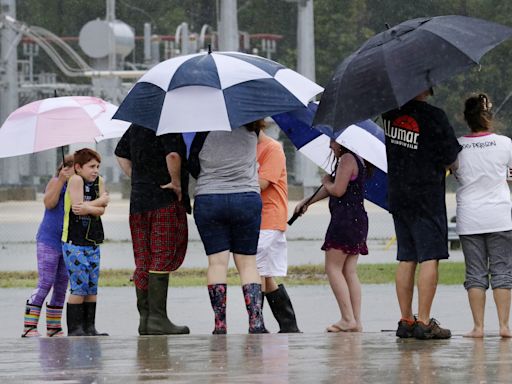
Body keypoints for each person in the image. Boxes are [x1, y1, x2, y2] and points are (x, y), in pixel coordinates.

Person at [382, 88, 461, 340]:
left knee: (406, 257)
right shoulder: (434, 116)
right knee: (429, 257)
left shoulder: (389, 115)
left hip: (398, 193)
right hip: (426, 195)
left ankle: (405, 319)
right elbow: (451, 158)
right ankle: (424, 322)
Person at [190, 121, 267, 334]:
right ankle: (256, 322)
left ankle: (220, 324)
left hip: (209, 198)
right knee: (248, 264)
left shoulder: (204, 128)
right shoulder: (253, 127)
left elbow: (193, 164)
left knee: (217, 263)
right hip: (246, 198)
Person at [115, 124, 190, 335]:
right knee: (161, 254)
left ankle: (145, 320)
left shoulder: (136, 125)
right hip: (162, 200)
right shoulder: (167, 124)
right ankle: (158, 318)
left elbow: (120, 154)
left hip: (138, 200)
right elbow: (173, 155)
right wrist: (175, 182)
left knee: (142, 257)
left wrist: (138, 177)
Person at [294, 140, 369, 332]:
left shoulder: (346, 159)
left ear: (342, 141)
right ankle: (356, 320)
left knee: (333, 268)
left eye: (332, 142)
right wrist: (307, 202)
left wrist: (326, 181)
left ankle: (347, 318)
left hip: (344, 220)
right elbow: (335, 189)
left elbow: (337, 190)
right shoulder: (357, 159)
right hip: (357, 220)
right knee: (349, 270)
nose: (330, 146)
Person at [453, 93, 512, 338]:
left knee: (475, 273)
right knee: (502, 271)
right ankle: (504, 327)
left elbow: (456, 175)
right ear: (489, 116)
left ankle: (478, 327)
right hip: (500, 215)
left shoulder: (457, 146)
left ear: (466, 118)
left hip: (470, 217)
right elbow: (510, 176)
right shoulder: (505, 144)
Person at [21, 155, 74, 338]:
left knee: (61, 285)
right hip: (48, 240)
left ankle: (53, 327)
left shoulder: (78, 187)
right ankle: (29, 326)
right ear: (66, 168)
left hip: (67, 242)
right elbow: (49, 203)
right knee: (46, 281)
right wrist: (61, 180)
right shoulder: (55, 181)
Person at [256, 123, 300, 333]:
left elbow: (261, 183)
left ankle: (258, 324)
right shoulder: (247, 149)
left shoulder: (272, 148)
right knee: (265, 274)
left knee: (255, 271)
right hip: (256, 218)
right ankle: (288, 325)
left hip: (269, 217)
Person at [62, 148, 110, 336]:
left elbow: (101, 211)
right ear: (78, 167)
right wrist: (101, 201)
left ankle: (90, 327)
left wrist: (95, 206)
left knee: (91, 285)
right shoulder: (75, 180)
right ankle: (75, 328)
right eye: (91, 166)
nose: (95, 170)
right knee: (79, 285)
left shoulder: (100, 181)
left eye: (97, 166)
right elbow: (78, 208)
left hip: (93, 240)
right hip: (75, 240)